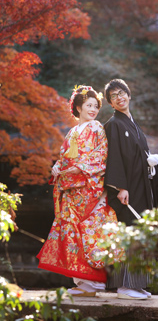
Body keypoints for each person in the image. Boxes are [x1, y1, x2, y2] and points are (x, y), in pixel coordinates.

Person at [37, 85, 121, 297]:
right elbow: (66, 157)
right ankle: (83, 282)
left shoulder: (96, 128)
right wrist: (58, 167)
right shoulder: (73, 131)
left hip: (88, 189)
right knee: (72, 231)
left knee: (88, 231)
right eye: (88, 105)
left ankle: (94, 282)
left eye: (95, 106)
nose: (93, 110)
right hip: (71, 190)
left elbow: (101, 155)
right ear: (78, 107)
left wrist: (81, 167)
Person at [104, 78, 158, 300]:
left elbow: (137, 155)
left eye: (122, 93)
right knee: (128, 233)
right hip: (127, 189)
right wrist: (120, 186)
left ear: (129, 94)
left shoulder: (133, 124)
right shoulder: (114, 124)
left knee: (141, 232)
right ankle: (124, 285)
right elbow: (114, 157)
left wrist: (150, 162)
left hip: (141, 187)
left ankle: (137, 284)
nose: (119, 98)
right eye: (114, 96)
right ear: (110, 103)